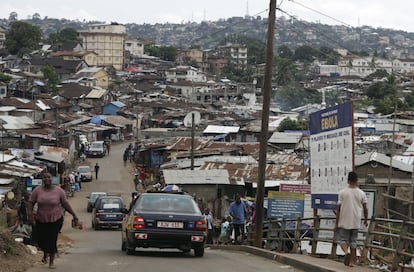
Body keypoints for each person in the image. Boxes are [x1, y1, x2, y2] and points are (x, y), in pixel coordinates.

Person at [28, 172, 79, 269]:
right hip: (41, 219)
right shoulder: (37, 191)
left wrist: (74, 215)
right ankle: (45, 254)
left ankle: (51, 262)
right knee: (41, 240)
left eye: (49, 177)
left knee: (52, 239)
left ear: (52, 179)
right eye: (45, 177)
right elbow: (31, 202)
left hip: (56, 220)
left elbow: (65, 204)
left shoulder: (59, 191)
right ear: (42, 179)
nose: (47, 179)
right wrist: (30, 214)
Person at [334, 171, 368, 267]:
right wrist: (365, 220)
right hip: (356, 221)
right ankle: (352, 262)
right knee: (353, 241)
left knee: (342, 240)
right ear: (357, 180)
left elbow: (338, 210)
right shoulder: (361, 193)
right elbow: (365, 208)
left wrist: (336, 224)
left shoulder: (342, 192)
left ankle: (346, 252)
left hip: (344, 221)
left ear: (348, 180)